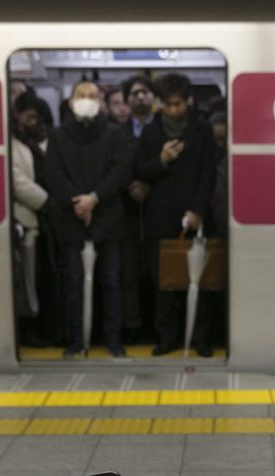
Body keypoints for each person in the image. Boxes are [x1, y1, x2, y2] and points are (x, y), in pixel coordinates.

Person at [45, 80, 132, 358]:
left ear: (101, 103)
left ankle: (113, 339)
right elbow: (52, 174)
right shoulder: (58, 137)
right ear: (70, 103)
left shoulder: (115, 134)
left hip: (107, 217)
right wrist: (79, 203)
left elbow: (121, 172)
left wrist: (94, 198)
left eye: (92, 96)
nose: (86, 99)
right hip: (71, 219)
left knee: (111, 281)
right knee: (74, 282)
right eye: (80, 95)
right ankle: (77, 339)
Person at [135, 73, 217, 357]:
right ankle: (167, 337)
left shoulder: (202, 129)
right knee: (165, 283)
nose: (173, 110)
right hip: (161, 217)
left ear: (187, 101)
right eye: (168, 104)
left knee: (199, 281)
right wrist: (162, 160)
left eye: (178, 104)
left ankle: (200, 337)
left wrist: (197, 210)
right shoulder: (151, 132)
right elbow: (141, 170)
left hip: (195, 215)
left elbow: (208, 173)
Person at [10, 90, 52, 347]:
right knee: (27, 278)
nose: (33, 123)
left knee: (43, 276)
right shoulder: (11, 143)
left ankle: (46, 326)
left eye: (38, 118)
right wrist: (45, 200)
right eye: (29, 117)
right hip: (27, 217)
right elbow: (15, 180)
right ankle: (28, 327)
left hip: (51, 220)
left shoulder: (49, 141)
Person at [118, 75, 158, 343]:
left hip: (157, 209)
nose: (140, 97)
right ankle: (132, 325)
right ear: (127, 100)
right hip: (126, 212)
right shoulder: (116, 132)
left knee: (158, 272)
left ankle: (158, 325)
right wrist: (129, 186)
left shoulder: (163, 130)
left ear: (154, 98)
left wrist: (148, 187)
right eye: (134, 93)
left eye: (145, 92)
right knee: (128, 274)